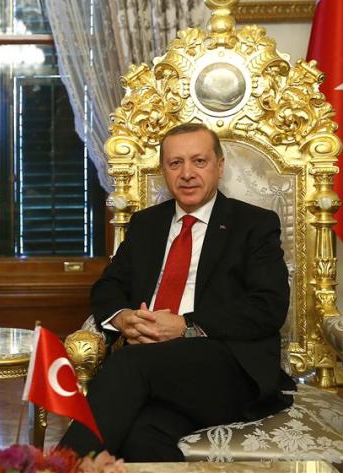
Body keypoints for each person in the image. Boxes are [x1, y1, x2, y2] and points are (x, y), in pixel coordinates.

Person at [59, 123, 295, 461]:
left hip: (226, 369)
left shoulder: (254, 225)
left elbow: (268, 307)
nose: (187, 174)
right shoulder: (146, 224)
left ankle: (58, 466)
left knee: (128, 364)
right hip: (156, 371)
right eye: (175, 163)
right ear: (164, 170)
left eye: (199, 161)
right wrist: (123, 318)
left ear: (219, 166)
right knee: (141, 437)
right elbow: (108, 286)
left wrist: (186, 326)